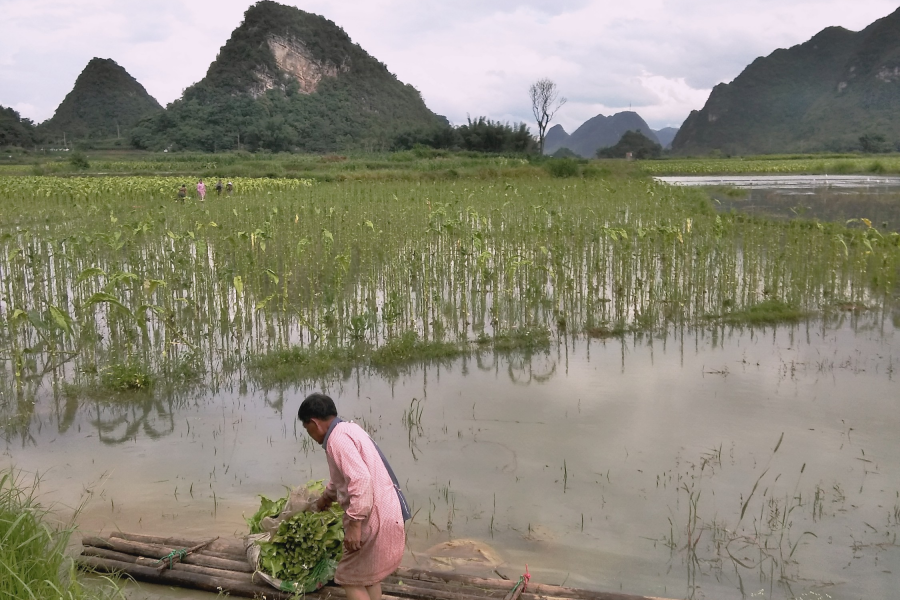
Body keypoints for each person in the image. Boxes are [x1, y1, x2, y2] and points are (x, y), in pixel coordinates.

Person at [298, 393, 407, 600]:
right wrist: (324, 500)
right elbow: (343, 478)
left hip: (370, 517)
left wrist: (355, 524)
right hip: (388, 510)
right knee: (367, 575)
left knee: (348, 577)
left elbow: (360, 480)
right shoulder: (349, 429)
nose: (309, 434)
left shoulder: (336, 440)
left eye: (307, 428)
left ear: (314, 423)